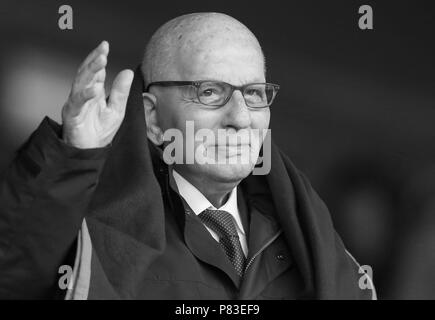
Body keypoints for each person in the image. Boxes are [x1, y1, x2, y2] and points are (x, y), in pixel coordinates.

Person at [0, 12, 375, 299]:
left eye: (255, 93)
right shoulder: (99, 224)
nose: (241, 118)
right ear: (152, 118)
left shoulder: (303, 232)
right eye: (210, 92)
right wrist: (72, 156)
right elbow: (13, 274)